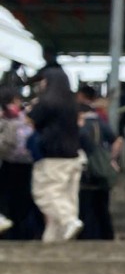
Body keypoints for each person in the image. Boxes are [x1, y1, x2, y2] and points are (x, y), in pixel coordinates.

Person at [25, 70, 83, 241]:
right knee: (66, 196)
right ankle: (55, 238)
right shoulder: (72, 104)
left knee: (45, 194)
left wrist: (31, 107)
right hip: (73, 155)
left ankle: (68, 221)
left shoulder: (47, 102)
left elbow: (30, 120)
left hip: (52, 155)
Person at [76, 83, 121, 241]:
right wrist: (111, 158)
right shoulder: (100, 123)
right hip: (102, 169)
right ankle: (106, 235)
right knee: (102, 206)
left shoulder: (82, 127)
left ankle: (88, 236)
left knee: (86, 206)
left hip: (86, 171)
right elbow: (117, 140)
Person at [0, 86, 40, 239]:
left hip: (8, 163)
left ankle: (10, 232)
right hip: (24, 163)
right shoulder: (23, 117)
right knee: (22, 201)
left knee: (8, 200)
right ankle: (20, 233)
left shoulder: (9, 116)